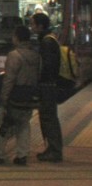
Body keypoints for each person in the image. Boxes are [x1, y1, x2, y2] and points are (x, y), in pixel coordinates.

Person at [0, 25, 40, 165]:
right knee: (24, 125)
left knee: (2, 124)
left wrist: (4, 97)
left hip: (15, 95)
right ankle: (22, 155)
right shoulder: (36, 55)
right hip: (29, 95)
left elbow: (9, 79)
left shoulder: (14, 55)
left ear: (17, 38)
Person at [30, 12, 64, 162]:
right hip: (50, 84)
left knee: (48, 118)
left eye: (33, 24)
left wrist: (40, 82)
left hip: (48, 85)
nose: (31, 27)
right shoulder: (50, 39)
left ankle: (54, 150)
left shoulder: (47, 42)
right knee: (49, 117)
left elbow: (47, 66)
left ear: (40, 25)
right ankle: (52, 148)